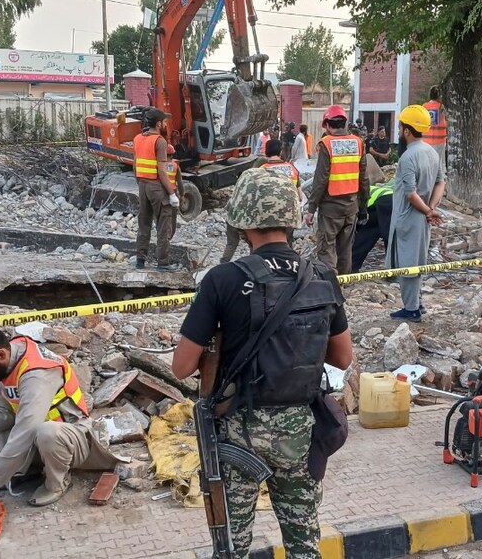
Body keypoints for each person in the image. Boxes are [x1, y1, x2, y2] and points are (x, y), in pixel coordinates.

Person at [171, 168, 354, 558]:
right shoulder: (321, 274)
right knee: (304, 546)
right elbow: (342, 357)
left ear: (242, 220)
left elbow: (181, 367)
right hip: (302, 433)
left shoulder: (223, 280)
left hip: (240, 432)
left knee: (232, 547)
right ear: (290, 217)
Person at [0, 328, 122, 511]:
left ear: (1, 354)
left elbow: (25, 433)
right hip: (35, 441)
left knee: (47, 432)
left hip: (70, 441)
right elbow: (3, 414)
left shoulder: (37, 374)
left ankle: (56, 483)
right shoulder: (5, 362)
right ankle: (19, 471)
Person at [385, 105, 446, 322]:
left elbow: (410, 194)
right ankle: (417, 303)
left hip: (409, 217)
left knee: (408, 262)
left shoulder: (408, 157)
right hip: (422, 217)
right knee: (417, 259)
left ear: (407, 130)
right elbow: (441, 181)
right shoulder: (431, 151)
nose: (400, 131)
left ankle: (411, 309)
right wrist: (432, 208)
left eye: (401, 127)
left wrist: (428, 210)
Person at [305, 105, 368, 275]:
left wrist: (311, 209)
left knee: (326, 248)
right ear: (345, 122)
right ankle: (344, 283)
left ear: (327, 124)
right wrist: (363, 208)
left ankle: (330, 286)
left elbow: (320, 180)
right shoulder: (358, 142)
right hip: (351, 207)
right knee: (345, 249)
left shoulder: (326, 144)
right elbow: (364, 179)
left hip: (330, 208)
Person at [221, 140, 301, 263]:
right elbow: (300, 195)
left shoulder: (260, 169)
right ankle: (287, 263)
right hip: (287, 214)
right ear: (280, 152)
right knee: (285, 245)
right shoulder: (292, 169)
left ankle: (247, 263)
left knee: (255, 246)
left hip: (261, 215)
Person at [134, 108, 182, 271]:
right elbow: (162, 171)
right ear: (159, 123)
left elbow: (135, 165)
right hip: (156, 187)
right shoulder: (160, 141)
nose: (165, 124)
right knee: (163, 225)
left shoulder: (138, 138)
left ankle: (140, 260)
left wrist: (140, 182)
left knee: (144, 222)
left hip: (142, 185)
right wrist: (171, 193)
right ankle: (163, 262)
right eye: (164, 122)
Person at [351, 179, 395, 272]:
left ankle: (351, 268)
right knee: (391, 238)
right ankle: (394, 270)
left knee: (364, 237)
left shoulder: (352, 195)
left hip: (382, 203)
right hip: (393, 201)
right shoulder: (372, 188)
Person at [423, 86, 447, 173]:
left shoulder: (424, 107)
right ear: (439, 95)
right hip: (440, 140)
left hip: (426, 140)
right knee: (440, 163)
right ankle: (440, 181)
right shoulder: (441, 107)